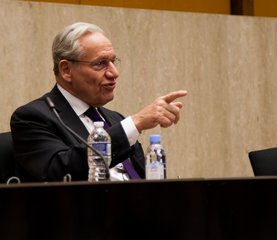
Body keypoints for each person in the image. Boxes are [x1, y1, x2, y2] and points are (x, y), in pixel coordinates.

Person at [10, 22, 187, 182]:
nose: (114, 73)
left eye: (113, 61)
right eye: (101, 63)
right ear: (66, 70)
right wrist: (135, 124)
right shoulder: (33, 117)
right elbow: (60, 173)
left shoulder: (115, 119)